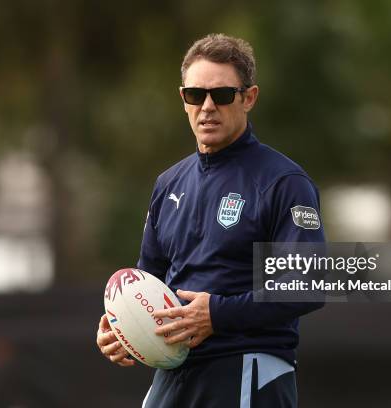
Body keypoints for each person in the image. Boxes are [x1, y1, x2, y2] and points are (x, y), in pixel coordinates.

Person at [96, 33, 325, 407]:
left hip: (247, 367)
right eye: (194, 95)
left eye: (221, 95)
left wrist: (217, 314)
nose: (207, 107)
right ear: (182, 98)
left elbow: (307, 282)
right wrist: (122, 326)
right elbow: (148, 279)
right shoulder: (168, 183)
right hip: (173, 373)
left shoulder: (283, 182)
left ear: (248, 98)